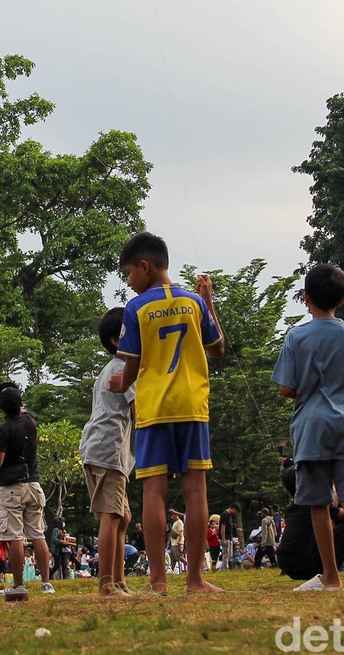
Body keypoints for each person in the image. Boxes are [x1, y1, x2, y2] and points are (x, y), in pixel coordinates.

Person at [110, 232, 225, 595]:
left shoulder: (138, 307)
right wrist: (209, 302)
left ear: (145, 267)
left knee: (154, 491)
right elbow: (218, 348)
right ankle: (195, 580)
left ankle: (158, 582)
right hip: (191, 404)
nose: (129, 282)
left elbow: (133, 362)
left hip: (155, 406)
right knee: (195, 491)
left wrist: (120, 382)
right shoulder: (194, 303)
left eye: (129, 273)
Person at [272, 263, 344, 591]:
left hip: (312, 424)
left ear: (305, 297)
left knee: (317, 500)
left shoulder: (296, 336)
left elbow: (286, 388)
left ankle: (329, 575)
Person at [79, 307, 136, 597]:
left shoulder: (115, 368)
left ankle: (119, 580)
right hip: (107, 449)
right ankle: (106, 585)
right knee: (111, 515)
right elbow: (140, 411)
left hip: (105, 449)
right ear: (117, 340)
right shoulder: (123, 368)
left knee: (122, 517)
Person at [0, 386, 55, 600]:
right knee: (37, 534)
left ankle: (18, 585)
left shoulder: (3, 430)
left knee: (14, 536)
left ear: (2, 407)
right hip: (33, 485)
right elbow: (19, 408)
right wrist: (1, 399)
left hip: (12, 487)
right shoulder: (30, 421)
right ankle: (46, 583)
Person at [277, 466, 344, 582]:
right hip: (308, 565)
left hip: (287, 564)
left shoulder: (292, 509)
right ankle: (334, 568)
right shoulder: (314, 505)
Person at [219, 503, 240, 570]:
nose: (235, 513)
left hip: (229, 537)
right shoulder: (225, 515)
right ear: (233, 509)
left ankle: (225, 567)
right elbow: (223, 526)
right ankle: (225, 568)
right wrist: (223, 538)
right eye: (236, 511)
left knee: (230, 554)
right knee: (226, 554)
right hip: (225, 537)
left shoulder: (230, 516)